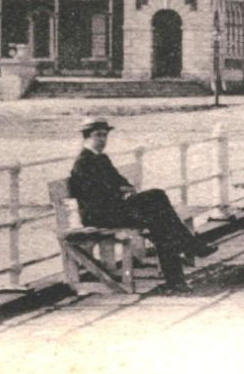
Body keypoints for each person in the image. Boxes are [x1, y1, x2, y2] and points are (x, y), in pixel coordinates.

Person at [68, 119, 215, 293]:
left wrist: (126, 190)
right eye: (98, 135)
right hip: (98, 215)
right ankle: (188, 248)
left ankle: (177, 279)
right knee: (157, 199)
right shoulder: (83, 163)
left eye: (105, 135)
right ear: (86, 137)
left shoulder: (102, 158)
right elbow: (94, 194)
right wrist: (122, 193)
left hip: (113, 209)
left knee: (159, 220)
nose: (103, 139)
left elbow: (120, 181)